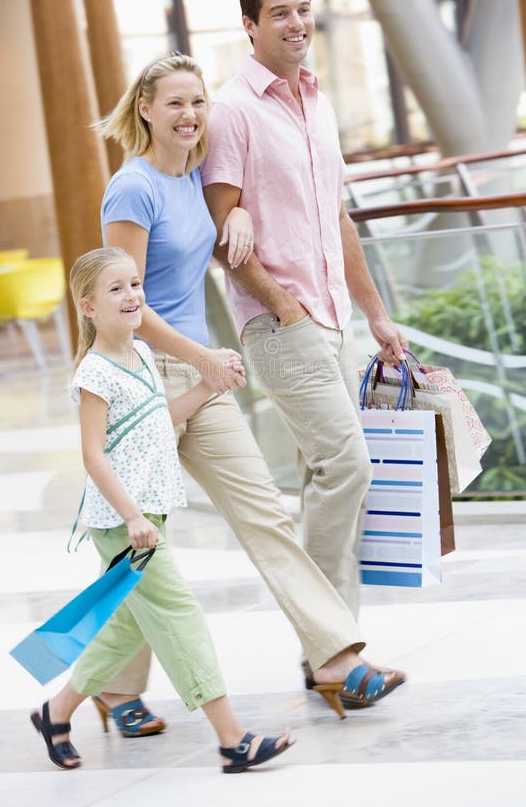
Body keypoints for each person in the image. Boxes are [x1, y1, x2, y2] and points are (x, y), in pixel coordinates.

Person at [89, 51, 404, 736]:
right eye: (174, 102)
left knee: (263, 514)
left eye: (197, 102)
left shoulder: (194, 177)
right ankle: (112, 688)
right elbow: (125, 302)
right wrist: (203, 358)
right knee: (145, 538)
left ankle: (332, 656)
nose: (190, 114)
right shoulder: (132, 188)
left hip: (205, 382)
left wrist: (242, 221)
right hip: (145, 381)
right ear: (144, 108)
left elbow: (228, 209)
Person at [200, 0, 409, 667]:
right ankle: (330, 648)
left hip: (332, 319)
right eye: (279, 13)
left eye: (302, 9)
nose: (295, 23)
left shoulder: (315, 101)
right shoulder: (231, 110)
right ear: (250, 26)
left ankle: (331, 652)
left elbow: (336, 217)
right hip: (278, 324)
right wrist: (285, 307)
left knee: (330, 474)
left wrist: (374, 313)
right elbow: (223, 229)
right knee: (348, 465)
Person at [30, 246, 292, 774]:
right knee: (179, 614)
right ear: (88, 306)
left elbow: (157, 422)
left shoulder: (143, 355)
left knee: (128, 629)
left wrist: (206, 385)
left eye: (134, 285)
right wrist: (132, 517)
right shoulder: (94, 374)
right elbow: (92, 453)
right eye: (116, 289)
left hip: (150, 516)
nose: (132, 296)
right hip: (125, 524)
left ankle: (56, 712)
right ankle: (231, 740)